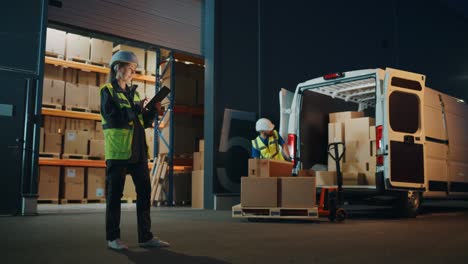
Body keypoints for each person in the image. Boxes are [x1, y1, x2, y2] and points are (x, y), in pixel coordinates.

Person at [101, 50, 169, 250]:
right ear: (117, 67)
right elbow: (114, 117)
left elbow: (142, 122)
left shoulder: (135, 93)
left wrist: (152, 113)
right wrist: (136, 109)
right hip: (118, 152)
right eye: (129, 68)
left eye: (133, 69)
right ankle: (113, 238)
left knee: (145, 193)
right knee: (114, 196)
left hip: (138, 152)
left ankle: (145, 237)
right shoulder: (107, 91)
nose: (132, 72)